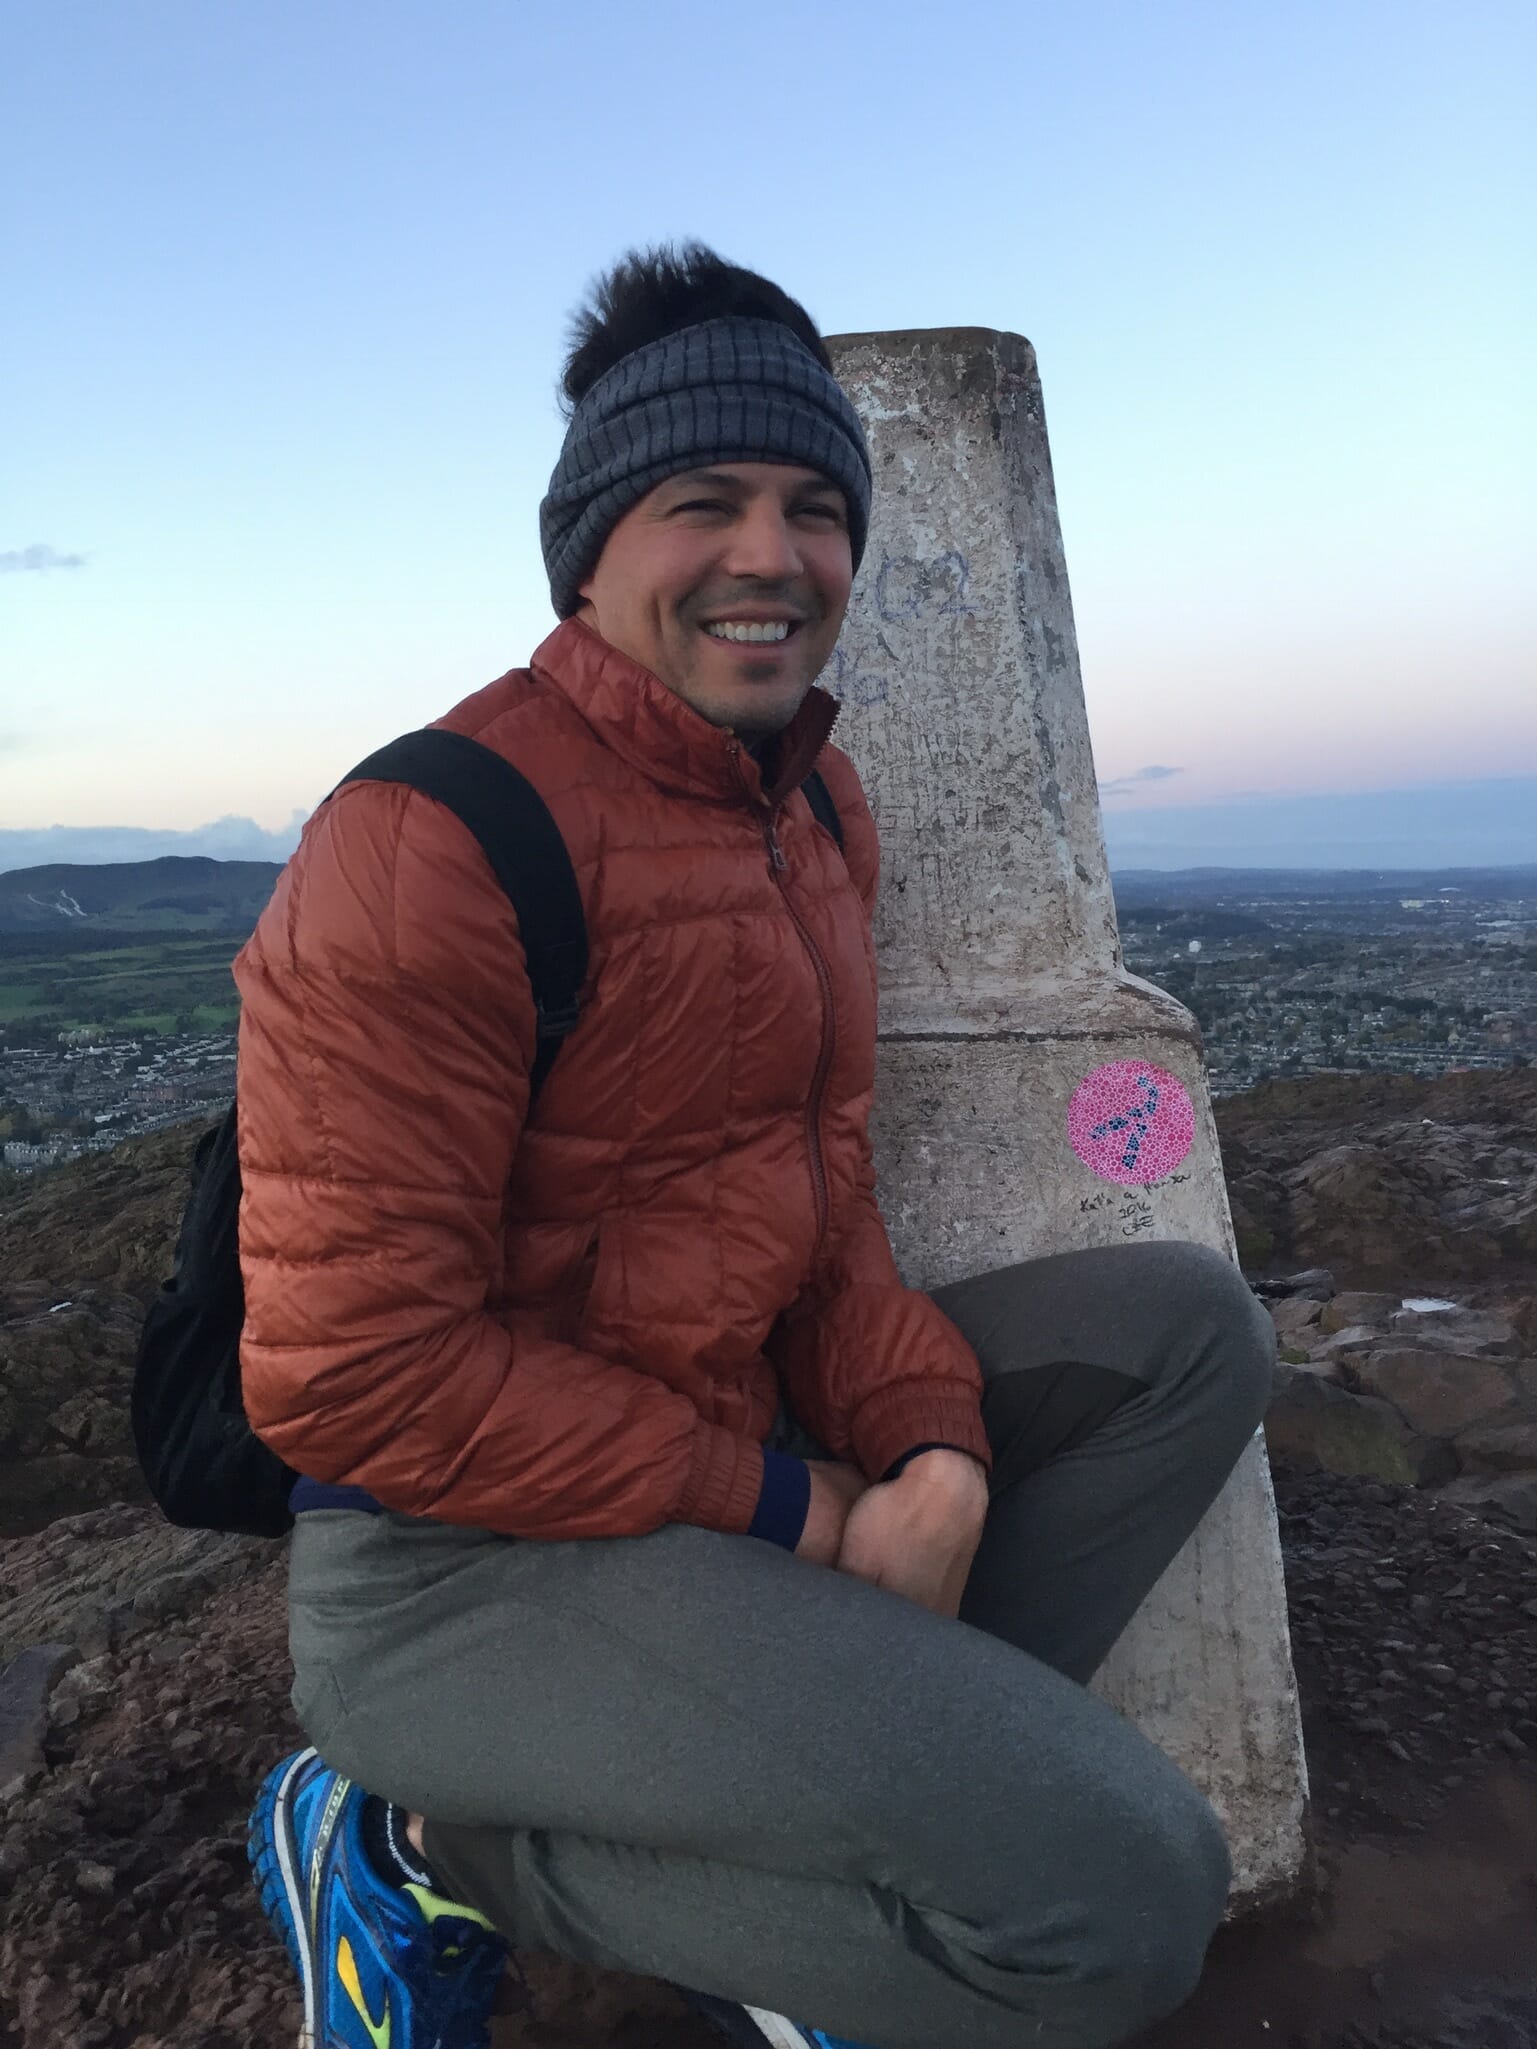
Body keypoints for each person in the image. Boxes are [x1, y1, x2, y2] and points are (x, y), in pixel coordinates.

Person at [239, 242, 1275, 2049]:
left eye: (814, 506)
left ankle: (834, 1859)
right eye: (701, 500)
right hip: (456, 1565)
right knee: (1118, 1908)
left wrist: (930, 1445)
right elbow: (354, 1381)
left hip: (709, 1448)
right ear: (589, 548)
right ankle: (422, 1842)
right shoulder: (430, 842)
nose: (772, 556)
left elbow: (823, 1208)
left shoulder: (802, 807)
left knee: (1190, 1330)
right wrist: (803, 1511)